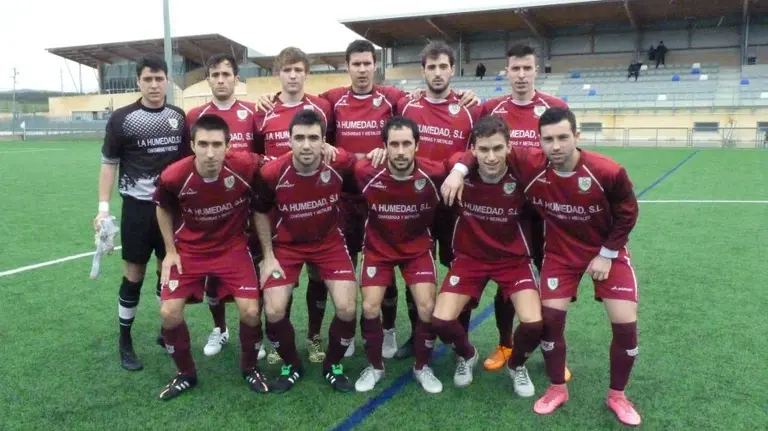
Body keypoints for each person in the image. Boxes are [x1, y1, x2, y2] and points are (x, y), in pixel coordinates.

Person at [442, 107, 642, 426]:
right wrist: (459, 172)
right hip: (560, 254)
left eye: (563, 137)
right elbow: (479, 150)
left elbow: (628, 213)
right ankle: (556, 388)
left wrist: (606, 252)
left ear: (577, 137)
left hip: (606, 253)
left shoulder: (607, 171)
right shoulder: (529, 163)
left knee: (625, 325)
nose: (556, 146)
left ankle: (618, 395)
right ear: (539, 142)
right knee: (549, 321)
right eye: (548, 139)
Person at [255, 109, 380, 393]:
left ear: (325, 141)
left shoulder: (339, 163)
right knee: (274, 310)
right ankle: (292, 365)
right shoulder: (273, 172)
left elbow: (363, 172)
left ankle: (333, 365)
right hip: (286, 246)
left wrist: (378, 153)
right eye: (299, 138)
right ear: (289, 140)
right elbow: (260, 212)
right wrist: (268, 255)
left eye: (314, 138)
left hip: (329, 243)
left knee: (348, 307)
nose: (307, 145)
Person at [153, 114, 269, 400]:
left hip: (232, 248)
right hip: (190, 251)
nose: (210, 152)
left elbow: (278, 163)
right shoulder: (174, 176)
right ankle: (185, 374)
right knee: (168, 313)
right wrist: (169, 250)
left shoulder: (245, 165)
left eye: (217, 144)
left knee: (251, 311)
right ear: (191, 145)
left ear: (229, 146)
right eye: (202, 144)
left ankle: (250, 367)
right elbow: (162, 208)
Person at [432, 115, 542, 395]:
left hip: (513, 260)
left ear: (509, 148)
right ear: (473, 150)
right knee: (441, 321)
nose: (491, 157)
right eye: (483, 150)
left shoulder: (523, 176)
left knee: (534, 323)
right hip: (471, 259)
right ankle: (467, 355)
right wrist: (457, 171)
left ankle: (516, 364)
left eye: (497, 148)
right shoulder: (458, 175)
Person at [479, 42, 570, 373]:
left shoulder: (555, 107)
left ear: (536, 69)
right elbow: (473, 148)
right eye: (514, 68)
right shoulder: (491, 109)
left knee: (550, 283)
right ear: (507, 71)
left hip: (546, 213)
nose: (520, 75)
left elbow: (568, 156)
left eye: (526, 68)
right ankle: (505, 344)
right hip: (505, 212)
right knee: (507, 282)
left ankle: (550, 349)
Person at [95, 54, 189, 371]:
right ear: (139, 81)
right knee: (134, 274)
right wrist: (103, 209)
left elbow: (188, 164)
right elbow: (109, 165)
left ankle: (167, 331)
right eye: (147, 79)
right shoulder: (123, 118)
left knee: (168, 271)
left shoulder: (178, 117)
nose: (153, 84)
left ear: (167, 80)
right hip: (137, 209)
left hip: (171, 210)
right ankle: (125, 341)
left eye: (159, 78)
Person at [394, 40, 481, 359]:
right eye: (431, 67)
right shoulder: (408, 107)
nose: (437, 72)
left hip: (456, 206)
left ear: (452, 69)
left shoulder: (470, 109)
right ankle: (417, 337)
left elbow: (477, 150)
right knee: (414, 269)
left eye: (443, 66)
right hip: (416, 204)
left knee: (460, 268)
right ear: (423, 71)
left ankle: (461, 336)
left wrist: (458, 170)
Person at [352, 116, 448, 394]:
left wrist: (458, 172)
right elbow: (343, 163)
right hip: (378, 249)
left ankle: (422, 366)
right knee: (370, 307)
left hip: (417, 249)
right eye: (394, 144)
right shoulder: (365, 172)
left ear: (417, 145)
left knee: (427, 307)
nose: (401, 151)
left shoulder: (435, 173)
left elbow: (466, 163)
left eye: (407, 143)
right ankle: (375, 367)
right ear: (384, 146)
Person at [252, 46, 334, 365]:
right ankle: (274, 339)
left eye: (298, 69)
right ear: (278, 74)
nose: (293, 75)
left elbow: (330, 148)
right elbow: (259, 156)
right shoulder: (264, 111)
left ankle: (314, 336)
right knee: (274, 272)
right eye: (287, 70)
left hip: (314, 204)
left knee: (316, 274)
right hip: (276, 208)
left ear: (306, 73)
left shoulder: (323, 107)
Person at [186, 53, 263, 359]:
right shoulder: (194, 116)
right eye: (215, 74)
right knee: (212, 274)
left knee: (252, 270)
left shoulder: (253, 113)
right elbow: (188, 160)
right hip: (210, 209)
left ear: (236, 79)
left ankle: (252, 331)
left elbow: (259, 157)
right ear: (208, 79)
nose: (220, 80)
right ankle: (220, 329)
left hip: (245, 205)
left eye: (226, 74)